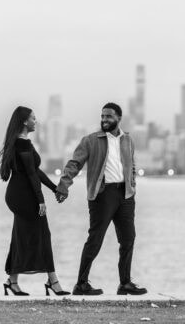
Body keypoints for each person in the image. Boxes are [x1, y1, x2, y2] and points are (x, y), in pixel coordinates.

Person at [55, 102, 147, 296]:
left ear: (119, 118)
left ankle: (125, 283)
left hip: (126, 196)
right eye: (103, 116)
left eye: (109, 116)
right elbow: (74, 163)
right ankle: (81, 284)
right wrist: (64, 185)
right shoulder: (90, 140)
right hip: (102, 195)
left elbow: (131, 166)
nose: (104, 119)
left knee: (128, 239)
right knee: (95, 239)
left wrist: (132, 186)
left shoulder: (128, 140)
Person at [0, 106, 70, 296]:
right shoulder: (22, 144)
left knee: (21, 235)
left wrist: (56, 189)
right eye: (33, 118)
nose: (36, 121)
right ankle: (53, 281)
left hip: (18, 194)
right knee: (43, 234)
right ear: (24, 121)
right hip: (23, 196)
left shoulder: (20, 143)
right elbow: (30, 173)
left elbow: (35, 171)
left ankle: (12, 281)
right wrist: (41, 200)